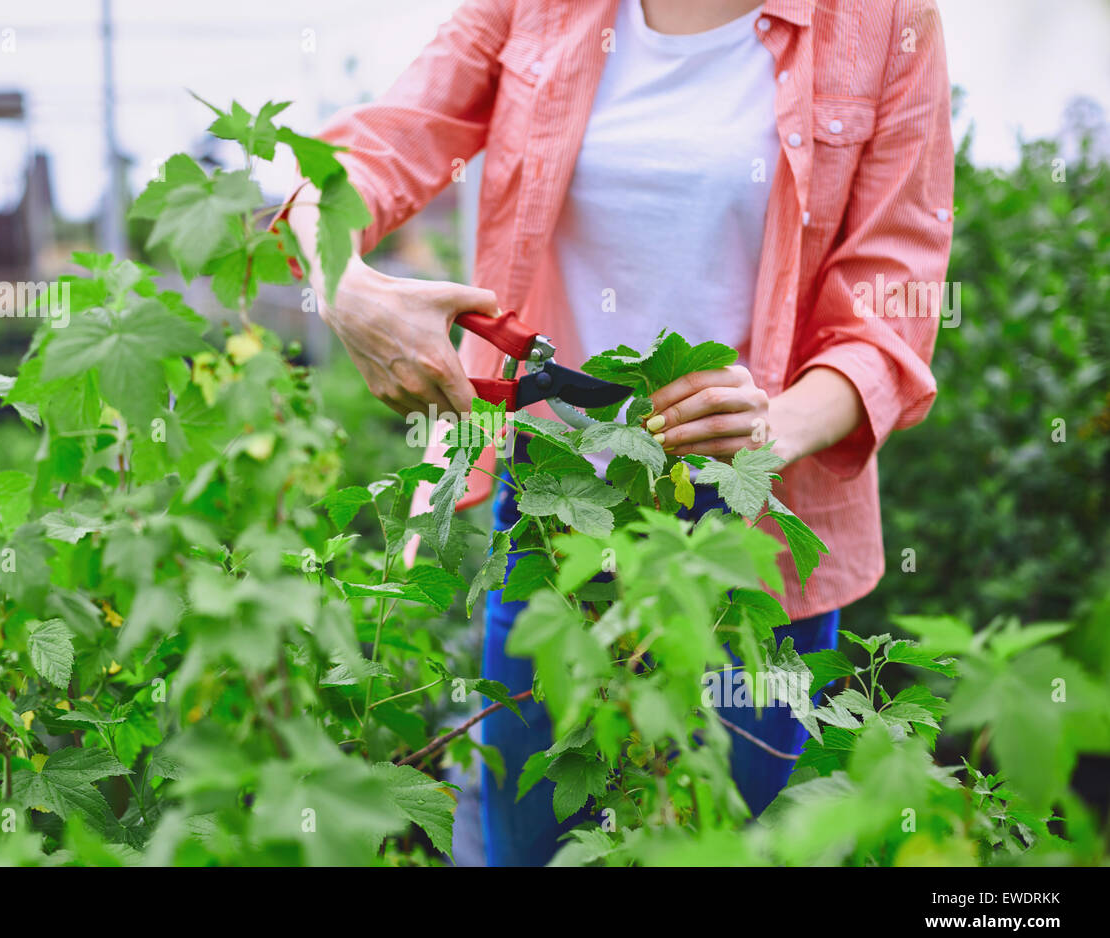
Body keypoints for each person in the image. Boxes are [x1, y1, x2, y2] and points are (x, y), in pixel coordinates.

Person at [285, 0, 954, 866]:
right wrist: (341, 280)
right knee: (537, 842)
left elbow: (892, 304)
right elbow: (373, 149)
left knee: (726, 846)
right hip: (554, 520)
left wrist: (773, 426)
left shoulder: (885, 21)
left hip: (754, 541)